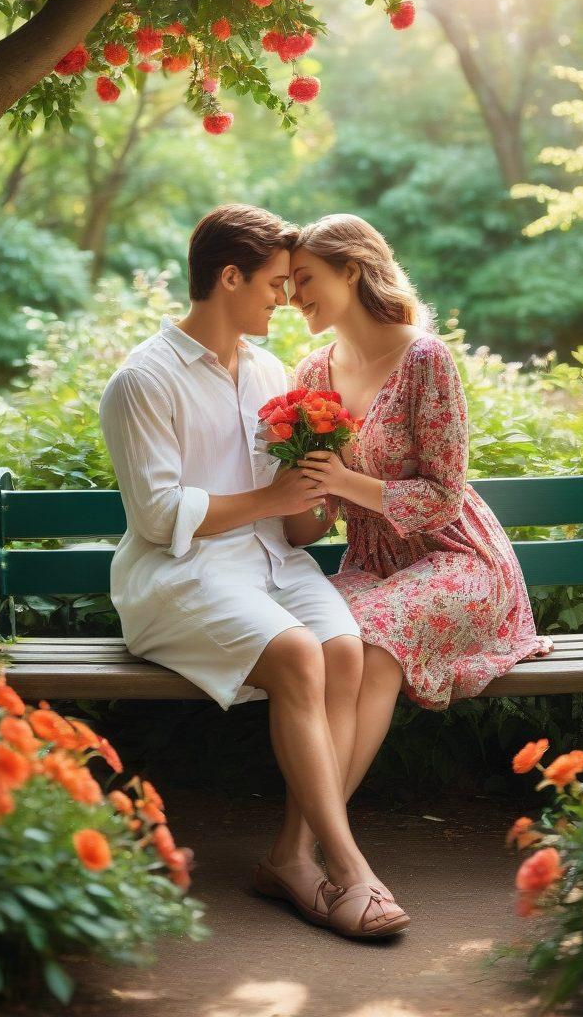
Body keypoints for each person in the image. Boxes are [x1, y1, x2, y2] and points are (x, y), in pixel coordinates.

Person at [98, 204, 411, 939]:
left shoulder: (269, 370)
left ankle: (289, 859)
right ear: (229, 277)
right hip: (178, 576)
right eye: (274, 283)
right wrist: (274, 497)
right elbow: (156, 515)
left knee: (344, 650)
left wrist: (321, 495)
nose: (286, 298)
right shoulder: (142, 380)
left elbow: (290, 523)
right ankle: (350, 869)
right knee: (302, 651)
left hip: (271, 560)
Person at [284, 213, 555, 815]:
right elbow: (316, 517)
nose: (291, 297)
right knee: (326, 643)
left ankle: (303, 843)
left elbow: (443, 495)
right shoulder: (311, 375)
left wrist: (346, 480)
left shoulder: (425, 359)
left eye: (304, 279)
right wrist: (297, 490)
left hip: (459, 559)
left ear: (351, 270)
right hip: (374, 564)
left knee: (376, 643)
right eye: (287, 285)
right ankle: (313, 848)